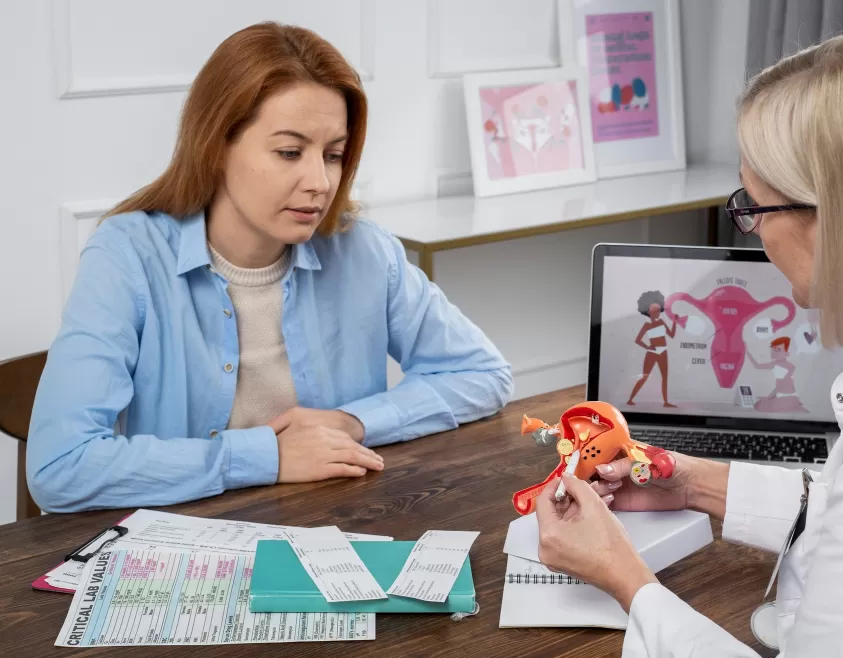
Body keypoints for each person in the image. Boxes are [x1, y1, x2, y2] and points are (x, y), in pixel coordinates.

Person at [534, 32, 843, 658]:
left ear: (837, 218)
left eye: (753, 207)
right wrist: (695, 484)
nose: (752, 233)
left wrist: (623, 577)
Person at [27, 22, 513, 513]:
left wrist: (353, 422)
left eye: (333, 155)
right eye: (289, 152)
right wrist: (267, 457)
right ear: (216, 144)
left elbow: (482, 373)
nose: (320, 181)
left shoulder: (365, 251)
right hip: (188, 542)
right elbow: (61, 466)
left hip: (338, 526)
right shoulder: (128, 255)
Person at [627, 290, 679, 407]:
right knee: (644, 377)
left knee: (664, 377)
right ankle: (630, 399)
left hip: (663, 352)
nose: (658, 312)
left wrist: (675, 322)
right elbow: (638, 340)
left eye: (659, 310)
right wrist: (648, 346)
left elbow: (671, 335)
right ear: (650, 312)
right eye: (656, 310)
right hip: (652, 353)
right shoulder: (647, 325)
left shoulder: (661, 322)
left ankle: (665, 402)